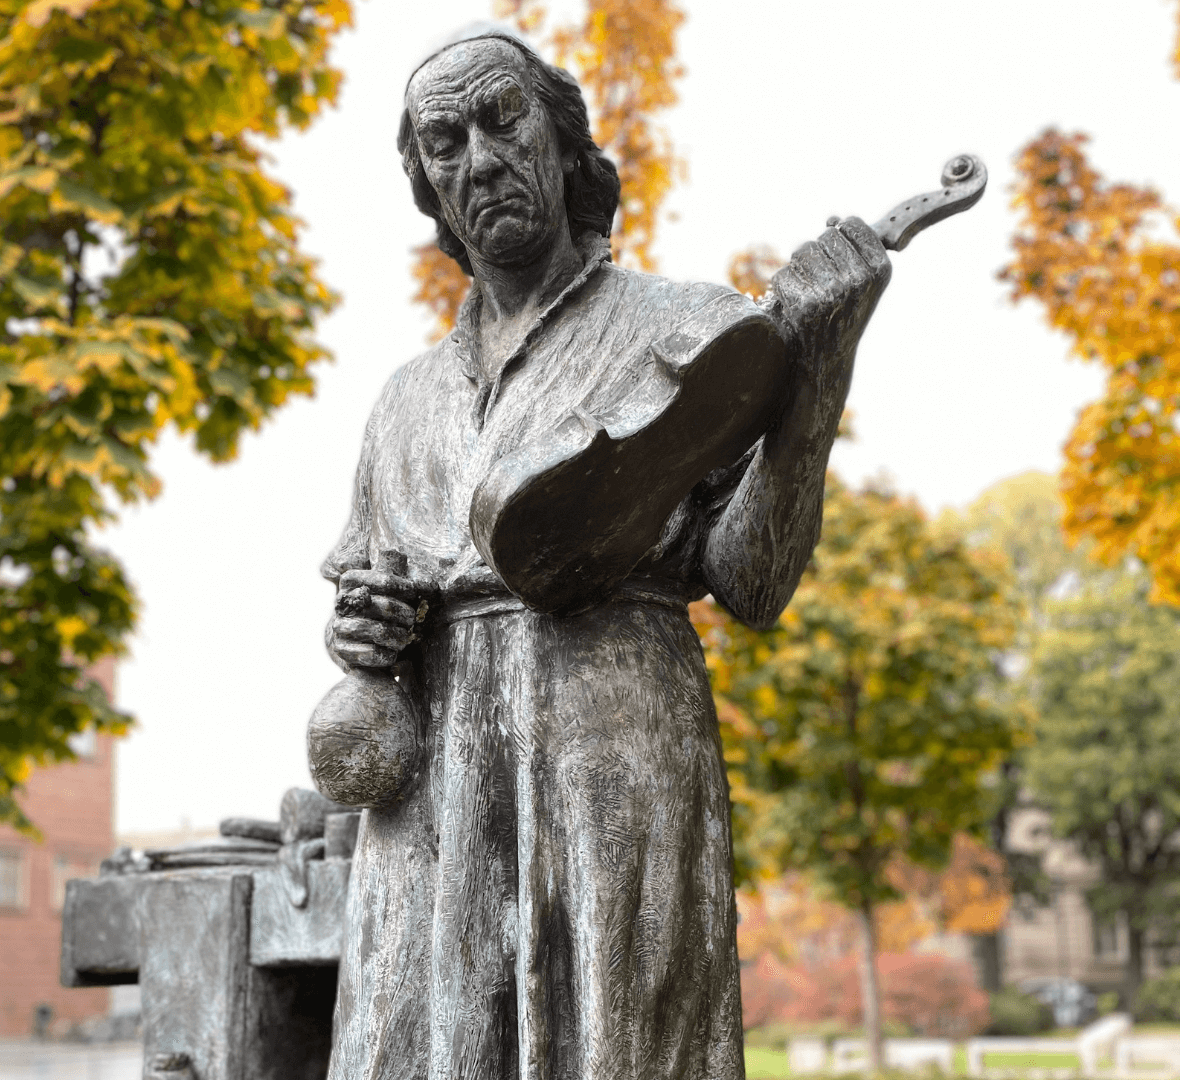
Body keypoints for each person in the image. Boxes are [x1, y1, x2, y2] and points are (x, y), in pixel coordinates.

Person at [320, 30, 890, 1080]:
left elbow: (755, 583)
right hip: (433, 819)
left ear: (563, 142)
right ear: (430, 191)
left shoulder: (691, 328)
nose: (479, 159)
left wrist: (818, 374)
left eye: (503, 121)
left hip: (611, 775)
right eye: (444, 143)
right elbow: (366, 601)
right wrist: (362, 628)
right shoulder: (402, 400)